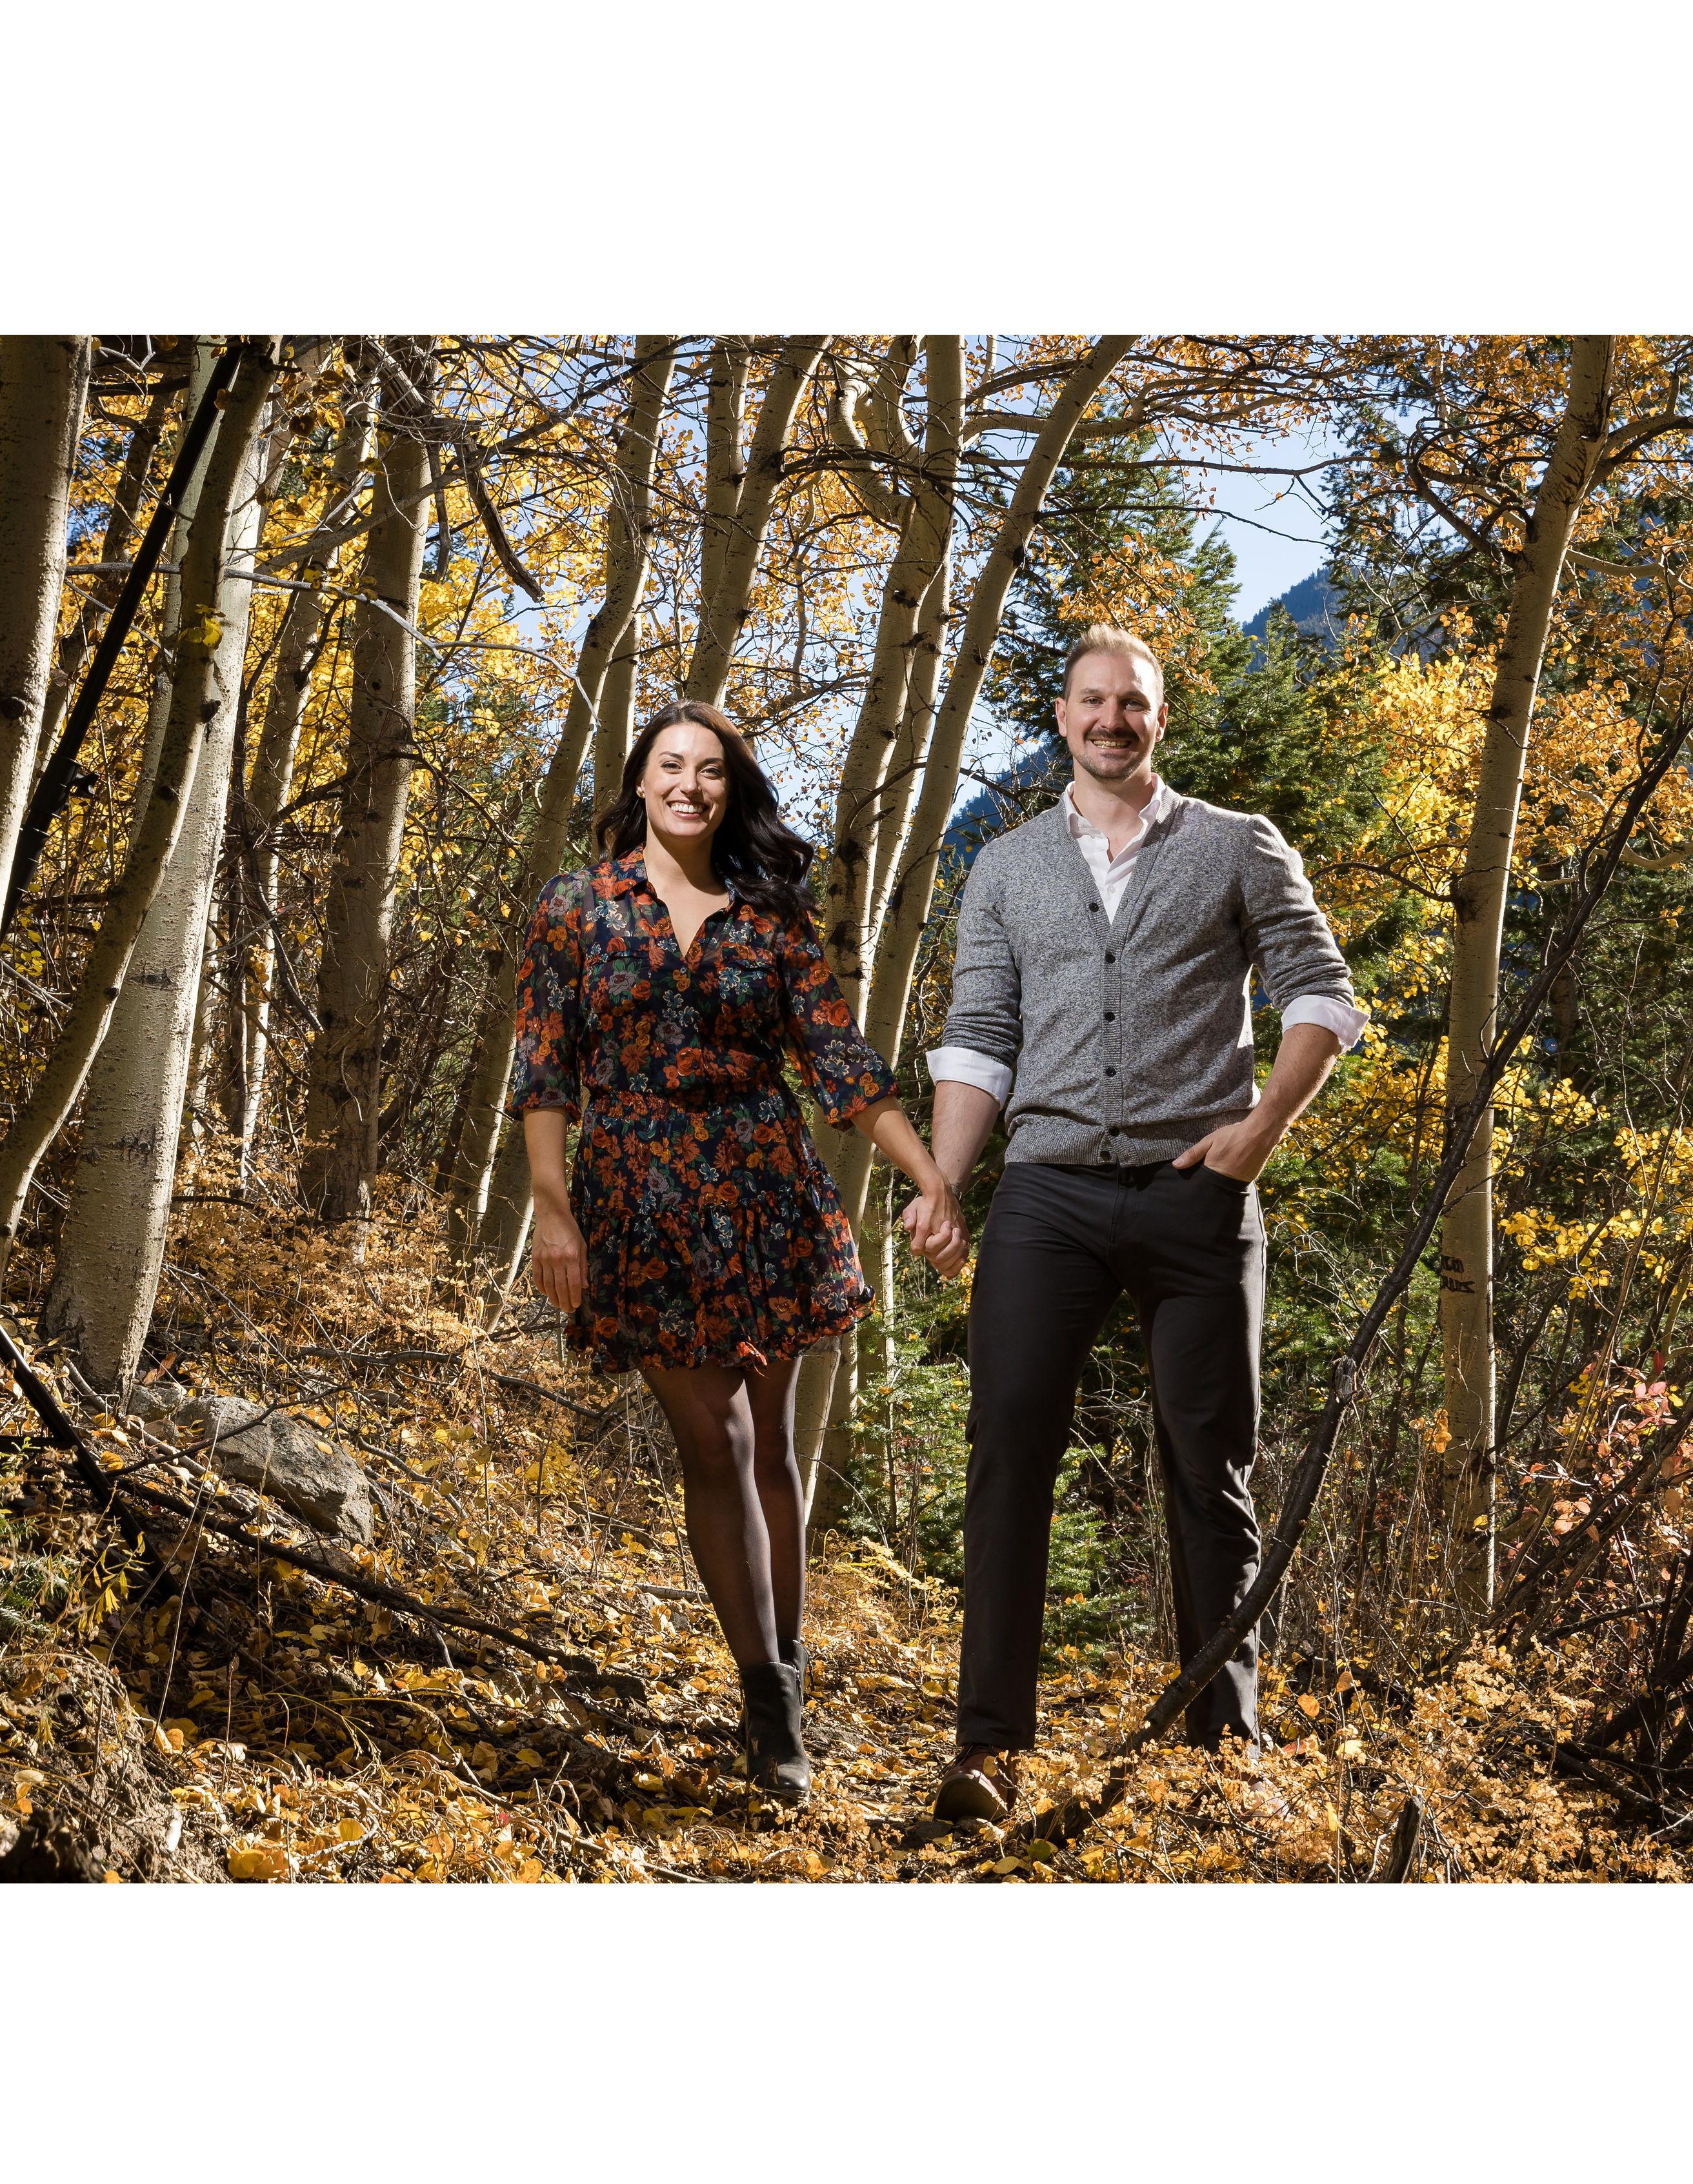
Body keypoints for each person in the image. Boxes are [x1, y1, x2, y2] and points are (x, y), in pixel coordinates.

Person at [901, 625, 1366, 1821]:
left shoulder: (1237, 847)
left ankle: (1226, 1757)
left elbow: (1322, 995)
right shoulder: (1003, 871)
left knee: (1209, 1468)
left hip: (1196, 1193)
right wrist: (946, 1183)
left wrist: (1257, 1138)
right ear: (1062, 717)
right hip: (1047, 1193)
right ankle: (987, 1752)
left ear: (1162, 717)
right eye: (1093, 701)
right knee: (1008, 1455)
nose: (1114, 720)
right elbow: (980, 1043)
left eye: (1135, 704)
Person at [509, 699, 967, 1804]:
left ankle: (782, 1694)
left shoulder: (770, 917)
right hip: (636, 1200)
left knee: (771, 1447)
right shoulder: (577, 907)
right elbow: (543, 1069)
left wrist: (929, 1175)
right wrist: (551, 1205)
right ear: (642, 778)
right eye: (672, 766)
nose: (690, 787)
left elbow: (840, 1062)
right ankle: (769, 1710)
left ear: (731, 791)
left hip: (766, 1193)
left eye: (711, 772)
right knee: (710, 1440)